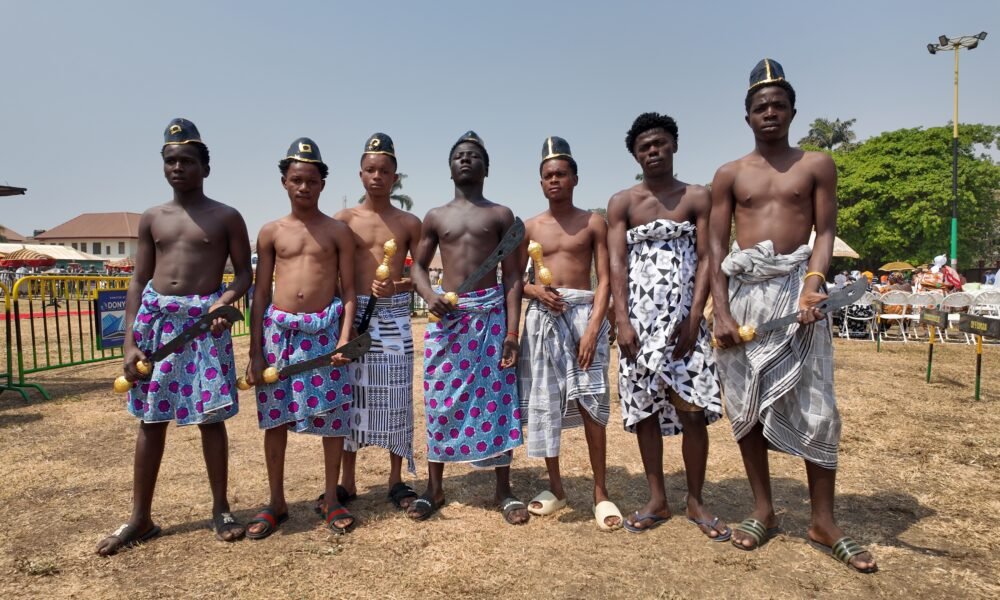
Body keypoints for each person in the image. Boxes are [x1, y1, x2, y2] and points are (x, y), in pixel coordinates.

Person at [709, 59, 877, 572]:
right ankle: (764, 510)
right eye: (760, 107)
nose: (770, 113)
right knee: (746, 407)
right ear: (747, 116)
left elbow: (824, 233)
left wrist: (813, 283)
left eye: (779, 105)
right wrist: (719, 312)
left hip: (799, 298)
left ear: (793, 111)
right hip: (744, 299)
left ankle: (823, 520)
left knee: (819, 408)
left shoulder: (817, 164)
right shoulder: (729, 174)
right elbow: (714, 247)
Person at [96, 118, 252, 555]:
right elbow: (138, 279)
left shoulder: (226, 216)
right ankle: (140, 518)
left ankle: (221, 508)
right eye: (171, 161)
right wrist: (130, 340)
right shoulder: (153, 218)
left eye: (187, 160)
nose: (178, 167)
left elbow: (244, 273)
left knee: (211, 419)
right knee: (151, 420)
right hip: (156, 324)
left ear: (205, 166)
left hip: (204, 325)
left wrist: (224, 302)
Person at [607, 113, 726, 538]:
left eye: (659, 143)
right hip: (638, 323)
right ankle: (657, 498)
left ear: (674, 145)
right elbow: (616, 263)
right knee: (644, 413)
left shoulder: (696, 197)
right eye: (644, 147)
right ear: (636, 155)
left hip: (684, 325)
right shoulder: (623, 202)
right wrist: (621, 320)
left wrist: (696, 316)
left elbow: (710, 256)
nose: (653, 151)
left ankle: (696, 500)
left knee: (692, 410)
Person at [409, 131, 529, 525]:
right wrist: (430, 297)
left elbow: (512, 278)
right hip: (449, 320)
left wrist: (512, 334)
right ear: (449, 167)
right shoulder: (435, 216)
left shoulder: (500, 216)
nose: (465, 160)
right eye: (459, 155)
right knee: (441, 400)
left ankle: (504, 489)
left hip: (491, 318)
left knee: (497, 400)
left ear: (486, 168)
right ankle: (435, 487)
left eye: (474, 156)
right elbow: (417, 267)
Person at [243, 138, 358, 537]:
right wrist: (255, 352)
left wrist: (345, 337)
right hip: (280, 335)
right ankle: (276, 501)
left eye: (311, 180)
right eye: (296, 180)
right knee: (275, 419)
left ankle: (331, 496)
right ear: (284, 182)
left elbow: (349, 291)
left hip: (326, 334)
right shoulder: (271, 232)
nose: (304, 187)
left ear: (322, 184)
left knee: (332, 417)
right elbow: (259, 292)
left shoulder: (338, 231)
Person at [518, 137, 620, 530]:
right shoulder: (528, 227)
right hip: (542, 321)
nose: (554, 180)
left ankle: (600, 491)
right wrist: (534, 290)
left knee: (592, 403)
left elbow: (607, 279)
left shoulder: (594, 222)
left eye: (561, 173)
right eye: (548, 176)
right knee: (545, 402)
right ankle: (556, 487)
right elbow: (514, 281)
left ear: (575, 178)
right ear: (540, 182)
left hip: (583, 315)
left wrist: (595, 326)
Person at [335, 133, 423, 511]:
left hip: (394, 316)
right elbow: (336, 275)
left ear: (395, 177)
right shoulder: (344, 220)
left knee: (398, 397)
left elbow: (421, 275)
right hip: (355, 316)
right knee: (351, 395)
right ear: (360, 174)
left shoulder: (408, 222)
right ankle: (347, 481)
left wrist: (398, 285)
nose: (377, 176)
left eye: (384, 171)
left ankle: (396, 478)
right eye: (370, 170)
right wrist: (343, 318)